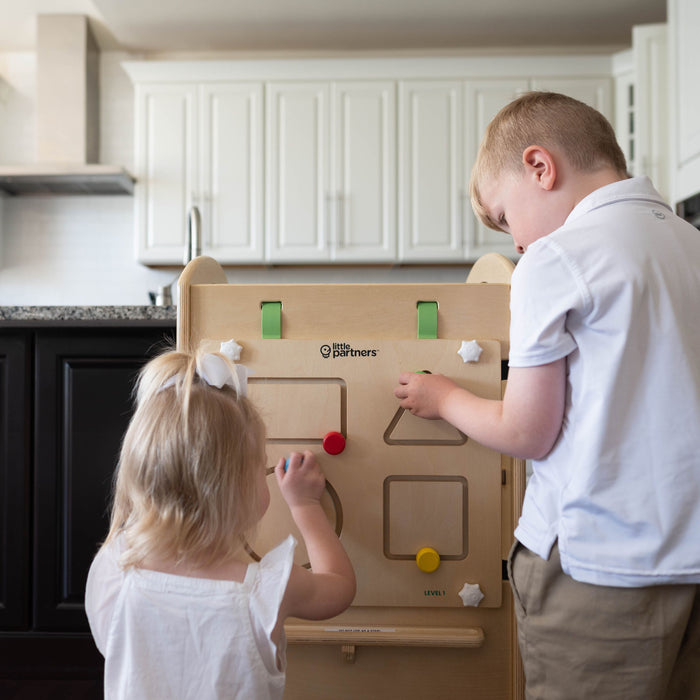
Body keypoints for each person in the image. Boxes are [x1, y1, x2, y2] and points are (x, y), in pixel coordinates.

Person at [394, 91, 700, 699]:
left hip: (598, 569)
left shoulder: (557, 257)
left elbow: (526, 431)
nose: (516, 246)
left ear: (540, 166)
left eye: (507, 218)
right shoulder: (689, 244)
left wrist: (444, 396)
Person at [86, 348, 355, 700]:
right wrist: (305, 505)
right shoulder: (268, 588)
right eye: (259, 466)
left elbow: (117, 649)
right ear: (233, 490)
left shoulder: (114, 566)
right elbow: (339, 587)